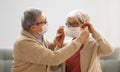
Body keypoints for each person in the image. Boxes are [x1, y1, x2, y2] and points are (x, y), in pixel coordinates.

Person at [11, 8, 90, 72]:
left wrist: (57, 44)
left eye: (46, 19)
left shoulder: (38, 37)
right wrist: (79, 40)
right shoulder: (23, 43)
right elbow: (54, 59)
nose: (47, 23)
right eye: (44, 22)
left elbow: (49, 55)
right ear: (33, 27)